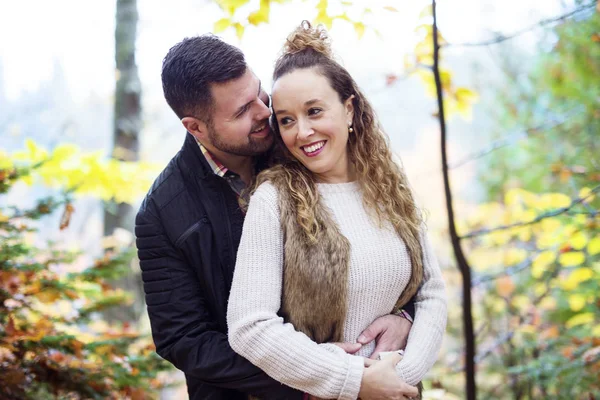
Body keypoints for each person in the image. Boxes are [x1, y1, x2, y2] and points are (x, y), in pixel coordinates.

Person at [135, 32, 417, 400]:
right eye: (241, 111)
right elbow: (184, 339)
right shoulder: (162, 212)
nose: (264, 113)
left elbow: (380, 247)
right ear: (196, 127)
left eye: (258, 93)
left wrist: (404, 317)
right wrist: (314, 379)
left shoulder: (301, 145)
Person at [227, 21, 448, 400]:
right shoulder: (275, 200)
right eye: (287, 120)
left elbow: (432, 292)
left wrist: (400, 378)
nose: (302, 132)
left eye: (315, 111)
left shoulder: (389, 187)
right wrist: (354, 381)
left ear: (348, 109)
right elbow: (249, 325)